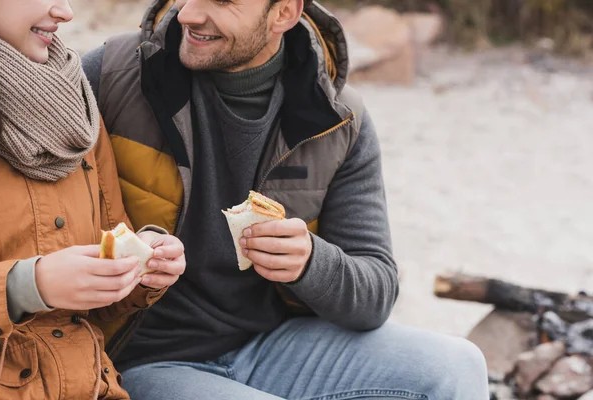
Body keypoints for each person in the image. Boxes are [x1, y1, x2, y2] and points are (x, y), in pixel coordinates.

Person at [83, 0, 490, 399]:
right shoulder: (112, 74)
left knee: (457, 366)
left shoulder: (338, 119)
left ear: (283, 13)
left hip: (273, 343)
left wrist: (311, 262)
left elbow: (376, 294)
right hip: (146, 360)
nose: (188, 12)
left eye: (222, 1)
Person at [0, 1, 186, 399]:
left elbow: (107, 264)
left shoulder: (77, 106)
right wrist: (25, 287)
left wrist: (143, 266)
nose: (65, 12)